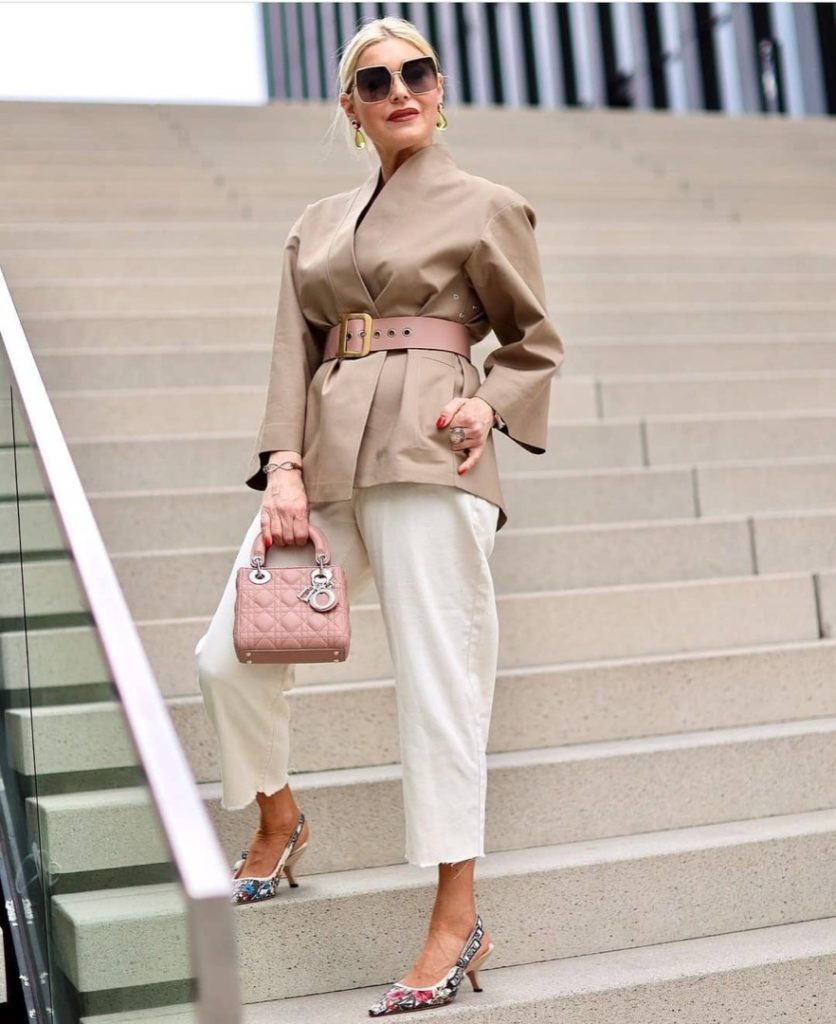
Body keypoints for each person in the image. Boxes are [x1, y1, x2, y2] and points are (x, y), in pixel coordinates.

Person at [195, 15, 565, 1017]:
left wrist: (489, 405)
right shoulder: (315, 223)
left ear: (438, 91)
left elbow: (533, 341)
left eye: (416, 72)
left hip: (429, 454)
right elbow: (292, 350)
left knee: (440, 688)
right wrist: (280, 465)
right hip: (322, 464)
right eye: (375, 80)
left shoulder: (487, 207)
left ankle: (455, 916)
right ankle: (278, 816)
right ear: (351, 109)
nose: (400, 88)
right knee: (226, 656)